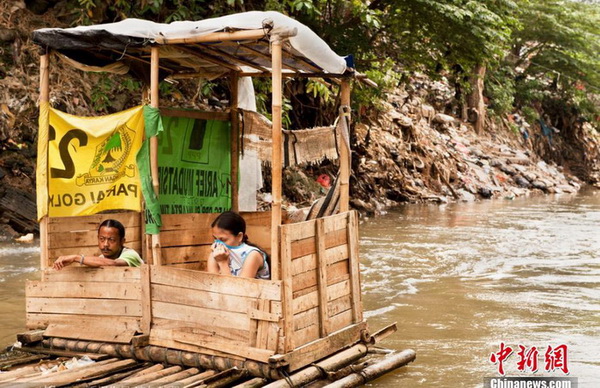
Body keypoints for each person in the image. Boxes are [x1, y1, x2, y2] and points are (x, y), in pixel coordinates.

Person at [52, 219, 143, 270]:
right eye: (102, 239)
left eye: (111, 240)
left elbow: (114, 263)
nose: (105, 244)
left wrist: (76, 258)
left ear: (122, 241)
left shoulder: (130, 254)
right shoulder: (101, 259)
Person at [207, 211, 270, 279]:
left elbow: (239, 288)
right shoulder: (216, 255)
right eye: (215, 239)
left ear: (239, 237)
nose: (218, 244)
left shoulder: (252, 255)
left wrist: (223, 263)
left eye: (223, 240)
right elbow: (213, 284)